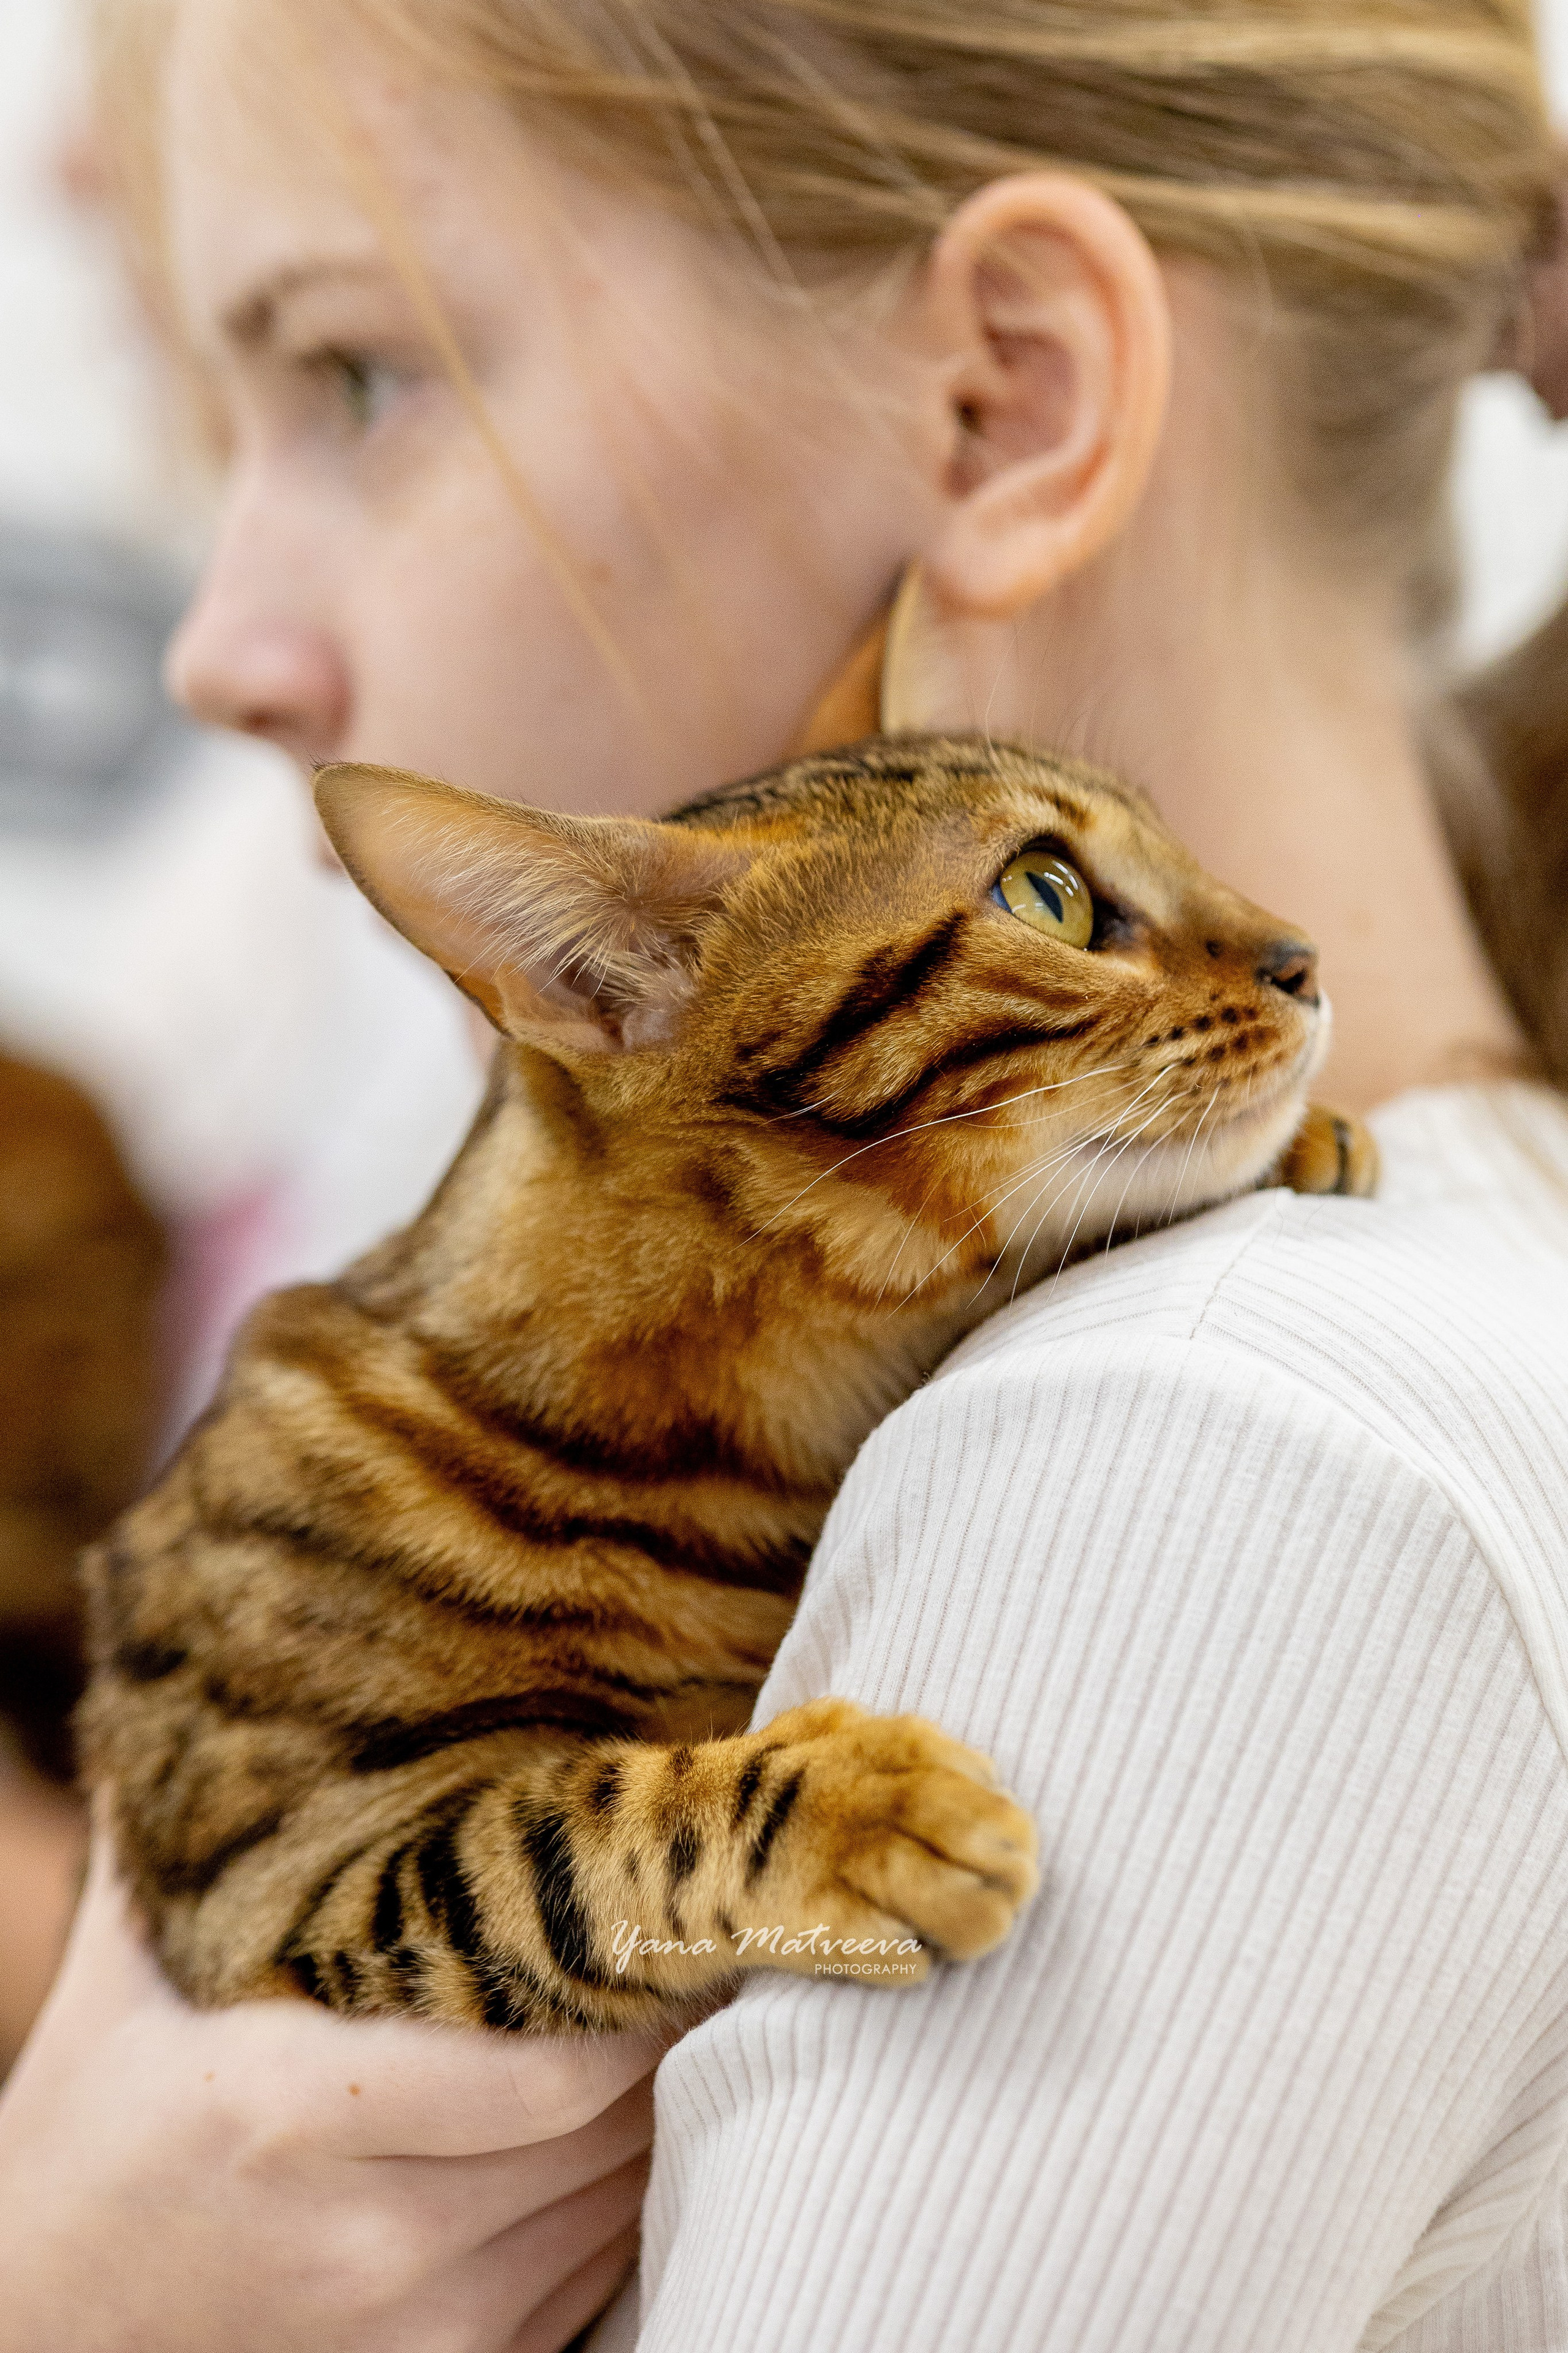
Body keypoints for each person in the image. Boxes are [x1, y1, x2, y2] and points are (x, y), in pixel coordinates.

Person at [4, 0, 1568, 2346]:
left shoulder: (1186, 1441)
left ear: (1004, 401)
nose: (218, 645)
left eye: (357, 377)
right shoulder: (1419, 1260)